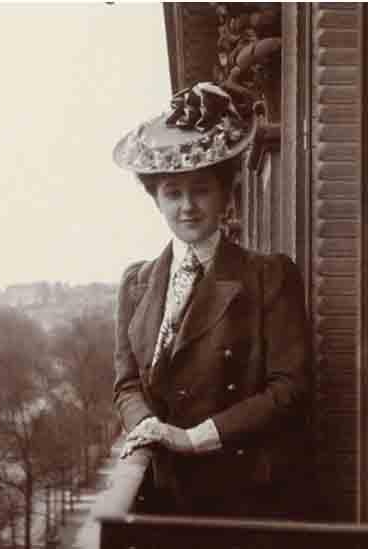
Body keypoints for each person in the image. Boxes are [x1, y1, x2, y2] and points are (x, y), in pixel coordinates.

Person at [111, 82, 312, 518]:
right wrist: (146, 425)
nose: (187, 206)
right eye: (172, 193)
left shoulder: (268, 276)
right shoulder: (135, 284)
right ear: (156, 200)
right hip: (160, 497)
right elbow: (126, 384)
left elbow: (290, 389)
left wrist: (193, 437)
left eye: (200, 189)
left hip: (243, 498)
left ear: (226, 192)